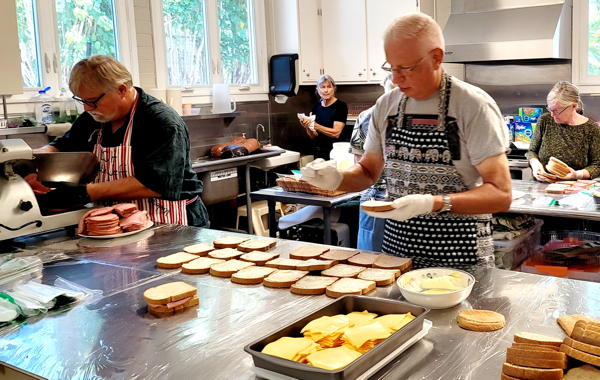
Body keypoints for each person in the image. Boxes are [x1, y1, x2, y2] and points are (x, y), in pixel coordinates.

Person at [300, 13, 512, 269]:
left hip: (460, 255)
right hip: (398, 254)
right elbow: (368, 172)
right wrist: (337, 179)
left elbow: (500, 194)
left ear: (436, 58)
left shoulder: (472, 105)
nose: (396, 79)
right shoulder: (386, 107)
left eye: (406, 68)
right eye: (391, 67)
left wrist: (433, 203)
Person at [35, 55, 209, 227]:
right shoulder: (93, 118)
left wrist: (85, 193)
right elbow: (63, 145)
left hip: (169, 220)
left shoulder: (160, 122)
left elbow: (155, 184)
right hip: (116, 222)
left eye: (93, 101)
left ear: (121, 89)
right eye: (82, 101)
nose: (87, 108)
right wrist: (34, 160)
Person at [350, 74, 395, 252]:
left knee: (371, 259)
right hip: (377, 200)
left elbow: (359, 162)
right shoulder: (368, 117)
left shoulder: (367, 116)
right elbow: (360, 163)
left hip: (376, 197)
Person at [526, 81, 600, 182]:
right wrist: (535, 166)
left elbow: (597, 165)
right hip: (542, 186)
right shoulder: (545, 121)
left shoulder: (591, 129)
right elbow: (531, 152)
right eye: (550, 109)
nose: (552, 115)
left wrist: (576, 174)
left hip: (574, 190)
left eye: (556, 110)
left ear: (573, 106)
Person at [299, 74, 348, 159]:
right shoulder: (316, 107)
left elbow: (336, 133)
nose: (326, 90)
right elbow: (314, 135)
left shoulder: (340, 106)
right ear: (317, 89)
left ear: (334, 88)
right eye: (322, 87)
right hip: (319, 152)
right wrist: (307, 126)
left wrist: (315, 125)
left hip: (335, 153)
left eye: (329, 87)